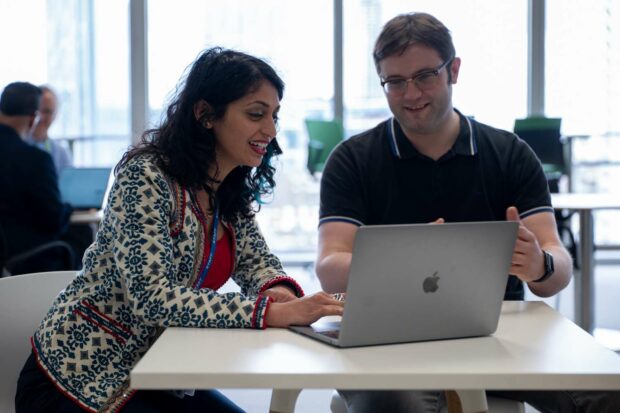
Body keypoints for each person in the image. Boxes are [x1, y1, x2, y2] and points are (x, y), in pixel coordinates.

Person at [316, 12, 619, 413]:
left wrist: (539, 264)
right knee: (395, 404)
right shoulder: (353, 160)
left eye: (425, 76)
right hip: (387, 338)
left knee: (609, 394)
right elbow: (329, 265)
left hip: (497, 335)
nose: (411, 94)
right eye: (395, 82)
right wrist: (405, 257)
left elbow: (556, 270)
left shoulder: (509, 154)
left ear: (453, 70)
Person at [15, 48, 344, 413]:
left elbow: (256, 262)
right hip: (82, 379)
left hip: (160, 376)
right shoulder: (146, 176)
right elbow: (152, 298)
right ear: (205, 114)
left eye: (274, 116)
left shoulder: (228, 185)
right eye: (256, 114)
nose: (270, 130)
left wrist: (280, 292)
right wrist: (269, 313)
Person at [0, 81, 73, 274]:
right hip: (27, 264)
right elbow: (53, 220)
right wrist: (68, 208)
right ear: (33, 118)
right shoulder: (35, 160)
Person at [27, 85, 73, 174]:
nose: (40, 116)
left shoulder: (61, 153)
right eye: (36, 110)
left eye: (47, 111)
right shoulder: (15, 147)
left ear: (55, 115)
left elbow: (69, 185)